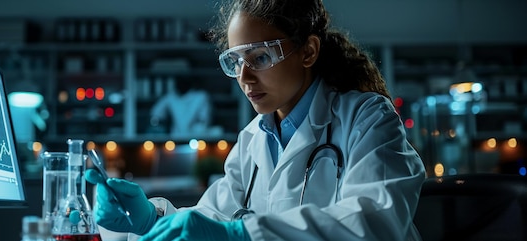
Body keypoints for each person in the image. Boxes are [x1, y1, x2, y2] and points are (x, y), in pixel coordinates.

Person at [85, 0, 427, 240]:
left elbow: (376, 223)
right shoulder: (253, 139)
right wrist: (149, 219)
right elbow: (211, 223)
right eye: (236, 61)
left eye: (260, 57)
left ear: (308, 51)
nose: (245, 77)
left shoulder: (367, 118)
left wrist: (242, 235)